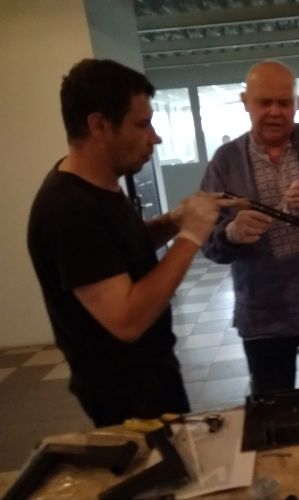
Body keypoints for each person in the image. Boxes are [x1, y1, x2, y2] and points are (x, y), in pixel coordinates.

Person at [27, 58, 226, 427]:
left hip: (151, 377)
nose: (156, 138)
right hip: (124, 396)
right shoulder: (68, 209)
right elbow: (127, 320)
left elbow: (119, 251)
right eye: (142, 124)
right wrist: (191, 236)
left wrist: (173, 221)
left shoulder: (99, 188)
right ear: (99, 125)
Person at [200, 60, 299, 393]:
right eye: (264, 102)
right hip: (263, 312)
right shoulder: (225, 160)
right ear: (246, 102)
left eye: (284, 102)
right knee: (273, 405)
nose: (275, 111)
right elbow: (207, 239)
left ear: (296, 104)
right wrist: (231, 233)